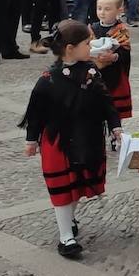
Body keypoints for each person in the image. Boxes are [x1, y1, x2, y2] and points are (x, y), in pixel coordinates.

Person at [21, 19, 121, 258]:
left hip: (88, 136)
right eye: (87, 43)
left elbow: (106, 100)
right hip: (59, 141)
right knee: (63, 189)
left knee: (77, 184)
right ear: (70, 49)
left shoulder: (92, 70)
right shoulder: (48, 79)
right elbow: (35, 112)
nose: (92, 46)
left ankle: (69, 220)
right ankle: (66, 237)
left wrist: (116, 126)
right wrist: (31, 140)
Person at [90, 0, 133, 120]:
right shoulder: (92, 28)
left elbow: (125, 52)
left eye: (107, 9)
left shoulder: (121, 29)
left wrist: (114, 57)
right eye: (99, 8)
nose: (102, 12)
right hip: (95, 73)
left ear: (119, 10)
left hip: (115, 74)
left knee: (115, 111)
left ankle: (115, 134)